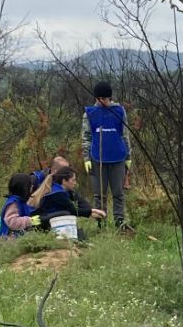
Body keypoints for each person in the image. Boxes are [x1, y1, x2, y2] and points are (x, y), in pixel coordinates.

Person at [82, 81, 132, 231]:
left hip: (118, 158)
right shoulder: (89, 114)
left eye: (105, 99)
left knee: (118, 193)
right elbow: (86, 137)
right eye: (99, 99)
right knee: (99, 195)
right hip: (98, 159)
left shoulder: (119, 111)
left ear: (110, 98)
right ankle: (100, 223)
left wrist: (128, 156)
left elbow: (125, 135)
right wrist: (86, 158)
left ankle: (120, 222)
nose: (102, 102)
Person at [35, 163, 105, 234]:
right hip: (40, 222)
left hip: (45, 219)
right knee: (66, 213)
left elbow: (78, 205)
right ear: (64, 181)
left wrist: (90, 211)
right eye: (73, 180)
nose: (75, 183)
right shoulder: (58, 194)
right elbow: (73, 211)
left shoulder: (58, 189)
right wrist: (91, 211)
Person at [0, 172, 37, 238]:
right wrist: (29, 221)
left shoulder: (21, 201)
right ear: (24, 187)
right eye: (30, 185)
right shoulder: (13, 203)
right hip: (8, 239)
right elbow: (12, 222)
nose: (32, 186)